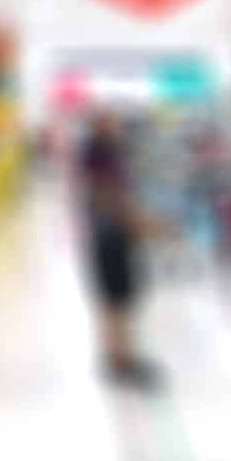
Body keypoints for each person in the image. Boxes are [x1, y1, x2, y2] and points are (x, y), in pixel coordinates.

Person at [76, 108, 153, 385]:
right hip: (111, 236)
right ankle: (120, 360)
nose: (116, 125)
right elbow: (106, 195)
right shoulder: (101, 155)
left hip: (107, 235)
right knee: (117, 301)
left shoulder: (96, 154)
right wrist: (137, 223)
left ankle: (118, 356)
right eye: (110, 120)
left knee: (115, 301)